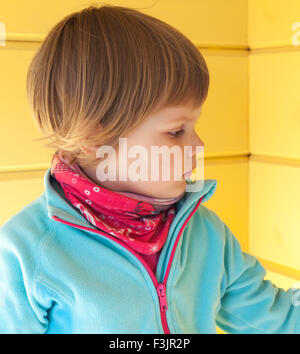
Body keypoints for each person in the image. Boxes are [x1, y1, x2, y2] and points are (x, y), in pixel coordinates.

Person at [1, 4, 300, 334]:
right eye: (176, 131)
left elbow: (279, 320)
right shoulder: (27, 250)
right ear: (92, 136)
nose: (198, 146)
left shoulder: (207, 236)